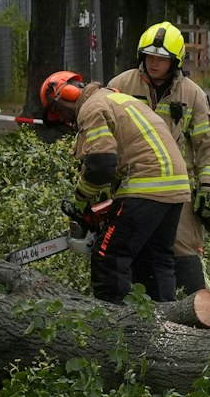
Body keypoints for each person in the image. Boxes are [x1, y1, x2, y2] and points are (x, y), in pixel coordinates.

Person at [39, 70, 192, 303]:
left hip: (145, 185)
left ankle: (114, 322)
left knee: (109, 257)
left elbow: (101, 164)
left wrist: (80, 199)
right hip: (175, 186)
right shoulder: (119, 99)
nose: (64, 119)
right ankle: (166, 321)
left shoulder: (92, 108)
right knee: (155, 259)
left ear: (67, 94)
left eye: (59, 112)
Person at [108, 21, 210, 296]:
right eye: (149, 56)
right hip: (132, 186)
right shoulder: (120, 86)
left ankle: (191, 311)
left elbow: (207, 146)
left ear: (175, 61)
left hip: (176, 189)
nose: (154, 63)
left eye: (161, 58)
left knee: (182, 249)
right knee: (129, 249)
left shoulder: (192, 94)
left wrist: (208, 186)